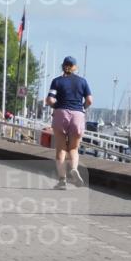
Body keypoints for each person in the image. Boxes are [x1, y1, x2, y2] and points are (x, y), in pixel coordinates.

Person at [45, 56, 93, 189]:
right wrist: (82, 108)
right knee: (73, 148)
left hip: (61, 114)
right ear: (75, 67)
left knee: (60, 149)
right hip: (77, 114)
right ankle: (74, 169)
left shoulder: (57, 81)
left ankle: (62, 181)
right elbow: (89, 100)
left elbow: (50, 100)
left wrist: (55, 106)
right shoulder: (83, 82)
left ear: (63, 66)